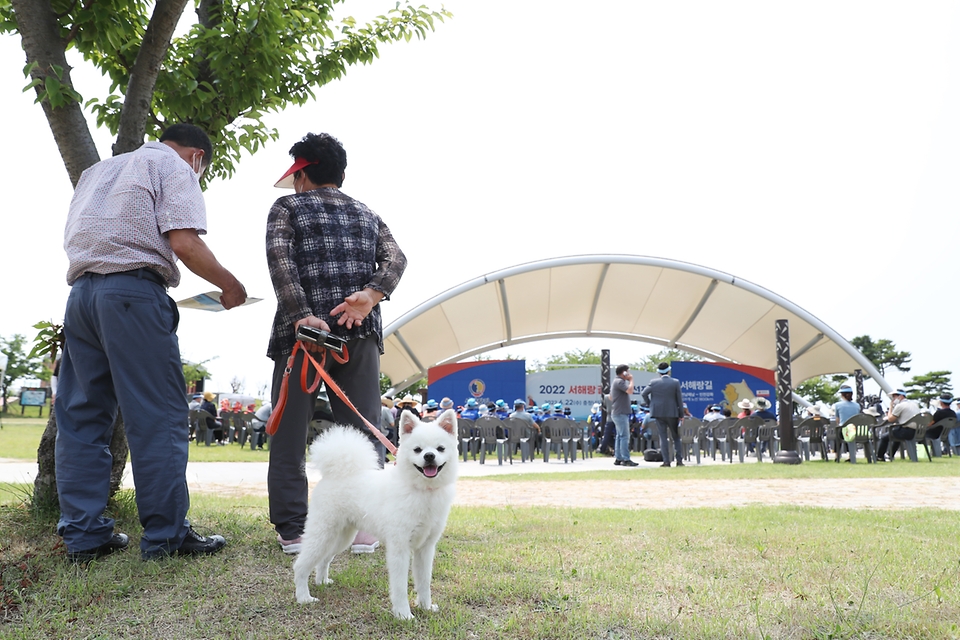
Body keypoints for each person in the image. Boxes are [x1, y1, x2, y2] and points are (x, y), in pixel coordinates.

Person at [56, 123, 245, 562]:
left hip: (82, 297)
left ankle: (84, 537)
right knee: (157, 417)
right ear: (196, 156)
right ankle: (166, 536)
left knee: (81, 420)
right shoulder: (173, 165)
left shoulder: (98, 172)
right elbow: (182, 240)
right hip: (134, 295)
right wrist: (230, 286)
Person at [265, 132, 406, 556]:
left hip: (302, 339)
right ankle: (367, 528)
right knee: (364, 430)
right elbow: (397, 258)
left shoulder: (286, 207)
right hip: (358, 334)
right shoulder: (368, 213)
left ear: (303, 174)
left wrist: (301, 315)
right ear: (339, 174)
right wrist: (371, 295)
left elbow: (280, 262)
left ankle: (294, 529)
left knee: (289, 434)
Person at [641, 362, 684, 467]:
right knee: (676, 437)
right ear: (668, 371)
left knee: (663, 437)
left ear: (659, 372)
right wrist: (681, 414)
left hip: (658, 413)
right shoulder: (675, 382)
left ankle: (666, 461)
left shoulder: (653, 382)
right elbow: (679, 399)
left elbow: (644, 393)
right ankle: (679, 460)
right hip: (673, 412)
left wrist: (651, 405)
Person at [875, 389, 921, 461]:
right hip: (917, 431)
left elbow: (890, 419)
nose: (893, 399)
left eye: (894, 397)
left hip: (906, 431)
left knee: (884, 437)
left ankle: (880, 456)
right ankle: (890, 454)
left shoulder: (900, 406)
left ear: (900, 396)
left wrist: (891, 407)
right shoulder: (914, 404)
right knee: (896, 433)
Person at [609, 364, 638, 466]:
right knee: (625, 436)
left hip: (617, 412)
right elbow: (630, 391)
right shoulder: (620, 381)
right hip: (620, 413)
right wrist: (631, 380)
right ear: (624, 372)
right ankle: (626, 459)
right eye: (627, 372)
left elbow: (610, 397)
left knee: (620, 436)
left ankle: (618, 458)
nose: (629, 373)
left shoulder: (615, 381)